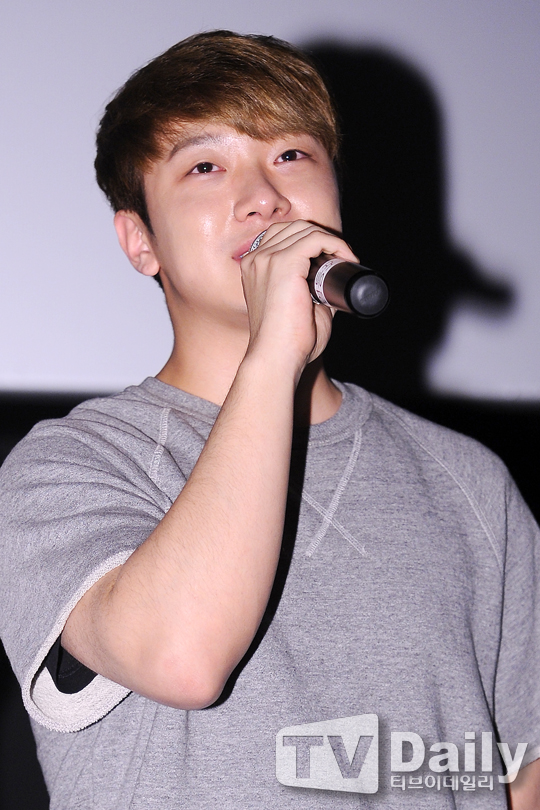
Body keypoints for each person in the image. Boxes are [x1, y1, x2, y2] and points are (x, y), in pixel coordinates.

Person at [0, 30, 538, 809]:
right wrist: (274, 355)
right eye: (206, 167)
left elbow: (519, 767)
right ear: (140, 241)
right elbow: (182, 658)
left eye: (291, 155)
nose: (265, 197)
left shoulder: (468, 482)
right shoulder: (70, 466)